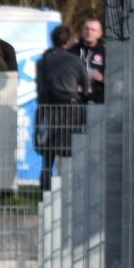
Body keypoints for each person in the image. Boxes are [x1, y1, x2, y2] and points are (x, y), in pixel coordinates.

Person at [36, 24, 89, 191]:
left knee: (47, 156)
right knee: (70, 151)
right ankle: (70, 190)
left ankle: (45, 190)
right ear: (68, 41)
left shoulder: (43, 61)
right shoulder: (75, 60)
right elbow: (86, 86)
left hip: (48, 110)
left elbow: (40, 86)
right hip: (71, 111)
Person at [75, 16, 107, 103]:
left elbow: (117, 77)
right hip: (76, 99)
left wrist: (103, 79)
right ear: (82, 31)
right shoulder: (73, 51)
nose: (89, 32)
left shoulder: (106, 52)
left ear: (99, 33)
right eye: (86, 29)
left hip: (99, 99)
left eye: (93, 30)